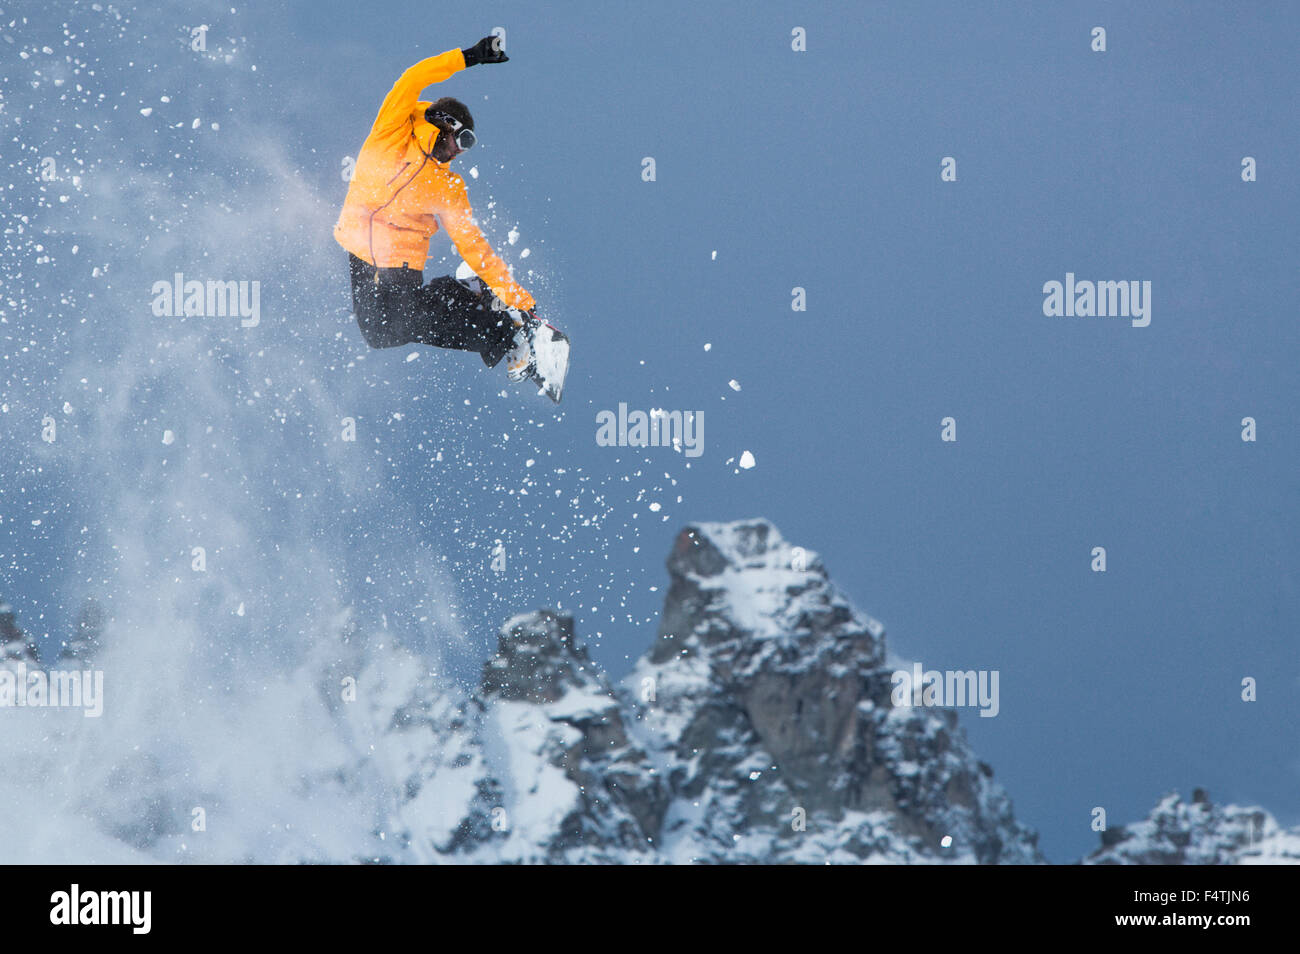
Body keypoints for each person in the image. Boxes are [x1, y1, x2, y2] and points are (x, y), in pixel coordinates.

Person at [335, 36, 539, 382]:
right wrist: (470, 57)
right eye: (462, 140)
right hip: (358, 246)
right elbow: (413, 78)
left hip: (400, 259)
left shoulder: (448, 188)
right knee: (379, 334)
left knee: (402, 322)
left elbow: (474, 247)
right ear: (444, 125)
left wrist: (520, 299)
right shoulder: (393, 129)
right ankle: (464, 293)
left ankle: (507, 331)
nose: (461, 152)